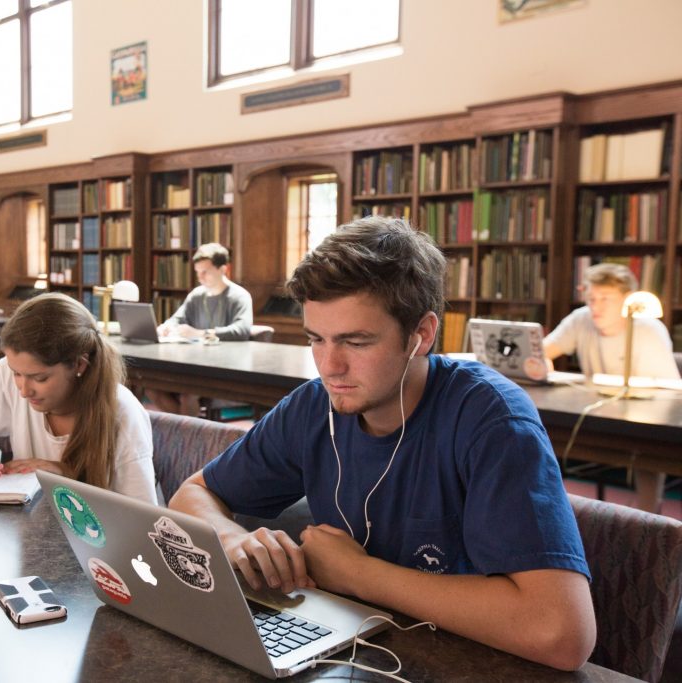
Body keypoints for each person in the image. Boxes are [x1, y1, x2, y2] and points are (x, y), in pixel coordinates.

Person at [169, 217, 596, 671]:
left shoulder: (490, 418)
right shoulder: (316, 406)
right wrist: (233, 539)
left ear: (422, 334)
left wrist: (358, 573)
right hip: (365, 654)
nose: (330, 366)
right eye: (317, 339)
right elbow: (190, 496)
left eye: (356, 341)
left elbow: (561, 633)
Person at [0, 292, 158, 504]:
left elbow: (141, 521)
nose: (24, 390)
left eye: (40, 378)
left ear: (79, 364)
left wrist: (65, 477)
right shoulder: (7, 373)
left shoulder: (123, 413)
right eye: (17, 374)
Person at [150, 242, 253, 414]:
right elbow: (176, 319)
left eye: (205, 272)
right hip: (194, 364)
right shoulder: (197, 295)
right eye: (198, 272)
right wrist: (166, 327)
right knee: (152, 388)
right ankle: (189, 431)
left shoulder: (239, 296)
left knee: (187, 394)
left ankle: (190, 435)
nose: (200, 277)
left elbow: (241, 330)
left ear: (222, 269)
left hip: (224, 366)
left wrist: (200, 333)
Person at [544, 262, 679, 379]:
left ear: (627, 298)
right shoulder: (581, 318)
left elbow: (668, 388)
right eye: (591, 298)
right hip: (591, 405)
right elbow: (539, 352)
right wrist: (541, 362)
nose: (596, 307)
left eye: (605, 299)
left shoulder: (649, 330)